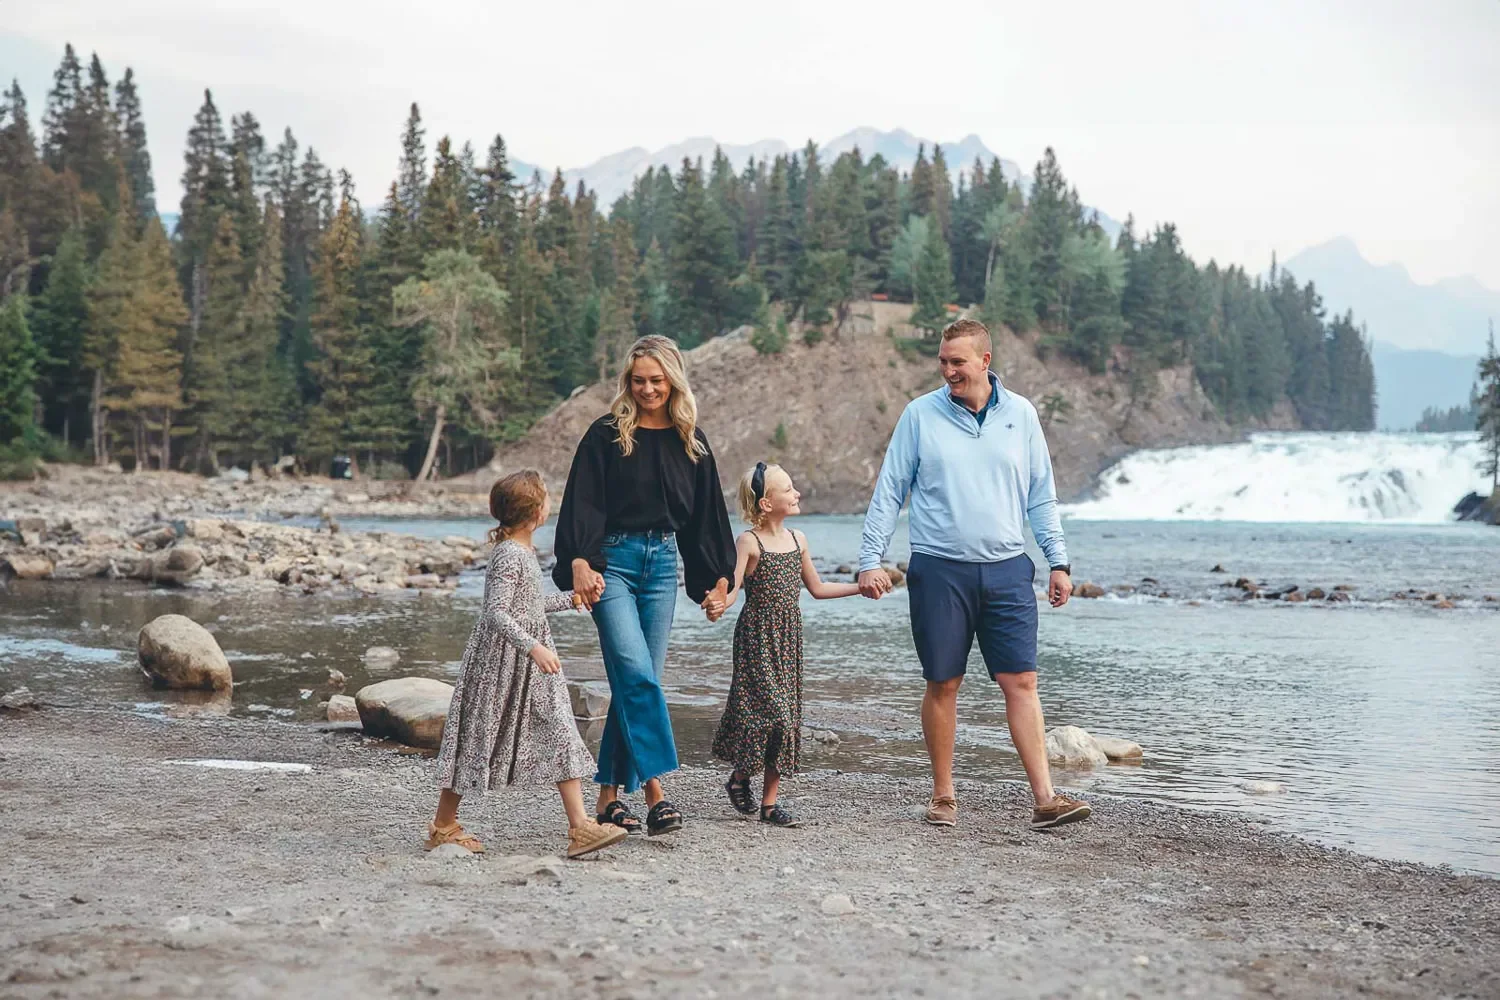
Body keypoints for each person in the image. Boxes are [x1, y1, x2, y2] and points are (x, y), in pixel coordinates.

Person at [858, 318, 1091, 831]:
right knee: (944, 682)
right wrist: (870, 560)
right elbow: (889, 491)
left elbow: (1041, 495)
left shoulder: (1022, 415)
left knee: (1022, 680)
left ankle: (1046, 798)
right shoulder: (920, 415)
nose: (948, 371)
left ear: (985, 361)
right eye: (942, 361)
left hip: (1008, 569)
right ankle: (944, 796)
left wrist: (1058, 560)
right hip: (939, 570)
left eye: (957, 362)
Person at [553, 335, 736, 838]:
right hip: (611, 563)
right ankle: (656, 791)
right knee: (638, 675)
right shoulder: (606, 435)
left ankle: (608, 798)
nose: (648, 389)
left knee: (637, 682)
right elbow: (582, 503)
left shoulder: (691, 442)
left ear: (674, 381)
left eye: (657, 380)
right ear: (627, 383)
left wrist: (718, 580)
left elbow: (706, 520)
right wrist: (580, 563)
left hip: (662, 570)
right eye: (639, 381)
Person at [428, 470, 628, 859]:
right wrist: (533, 647)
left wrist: (572, 599)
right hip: (502, 665)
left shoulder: (521, 551)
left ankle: (580, 827)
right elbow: (496, 614)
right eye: (547, 498)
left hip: (528, 666)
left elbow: (528, 608)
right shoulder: (509, 555)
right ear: (536, 511)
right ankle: (443, 825)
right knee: (476, 740)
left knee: (560, 730)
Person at [712, 462, 861, 828]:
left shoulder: (799, 540)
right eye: (789, 489)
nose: (797, 494)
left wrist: (861, 587)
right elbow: (732, 591)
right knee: (769, 715)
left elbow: (818, 588)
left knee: (787, 719)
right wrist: (719, 603)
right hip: (756, 637)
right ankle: (740, 777)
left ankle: (769, 805)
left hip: (789, 637)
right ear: (765, 503)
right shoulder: (749, 542)